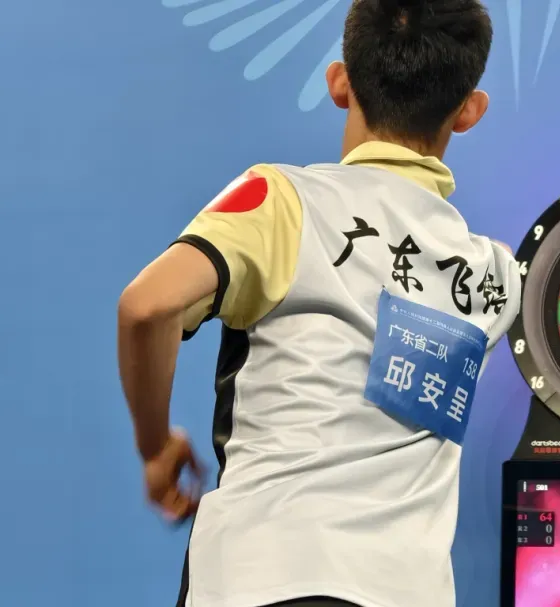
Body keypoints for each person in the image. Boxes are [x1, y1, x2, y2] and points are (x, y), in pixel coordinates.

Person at [116, 1, 518, 606]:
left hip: (260, 577)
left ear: (339, 83)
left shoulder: (280, 201)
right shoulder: (496, 277)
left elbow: (147, 306)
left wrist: (155, 449)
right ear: (469, 110)